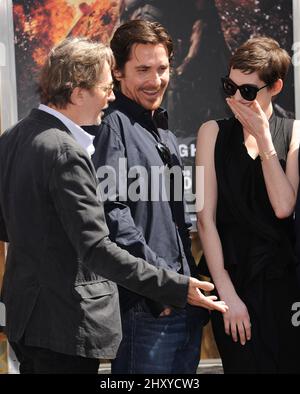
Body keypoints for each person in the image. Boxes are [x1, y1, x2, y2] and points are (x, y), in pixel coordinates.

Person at [0, 37, 227, 374]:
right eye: (106, 88)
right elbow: (97, 248)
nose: (110, 98)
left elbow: (10, 226)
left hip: (27, 322)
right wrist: (173, 286)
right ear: (78, 93)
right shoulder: (65, 151)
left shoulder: (13, 136)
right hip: (64, 324)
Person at [91, 20, 210, 374]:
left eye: (162, 69)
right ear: (117, 71)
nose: (155, 80)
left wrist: (184, 285)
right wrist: (164, 286)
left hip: (181, 307)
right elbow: (113, 217)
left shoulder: (162, 130)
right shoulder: (111, 126)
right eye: (142, 69)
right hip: (146, 310)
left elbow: (175, 224)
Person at [196, 36, 300, 374]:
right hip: (233, 282)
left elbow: (284, 207)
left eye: (249, 91)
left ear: (275, 87)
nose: (236, 98)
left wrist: (265, 139)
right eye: (230, 86)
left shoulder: (293, 132)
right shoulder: (211, 133)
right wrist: (227, 297)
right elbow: (204, 219)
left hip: (285, 287)